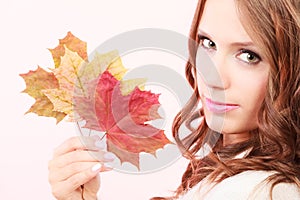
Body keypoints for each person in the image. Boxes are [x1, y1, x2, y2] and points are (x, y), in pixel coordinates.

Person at [48, 0, 300, 199]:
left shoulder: (257, 191)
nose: (213, 78)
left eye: (248, 56)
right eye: (208, 43)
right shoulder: (238, 175)